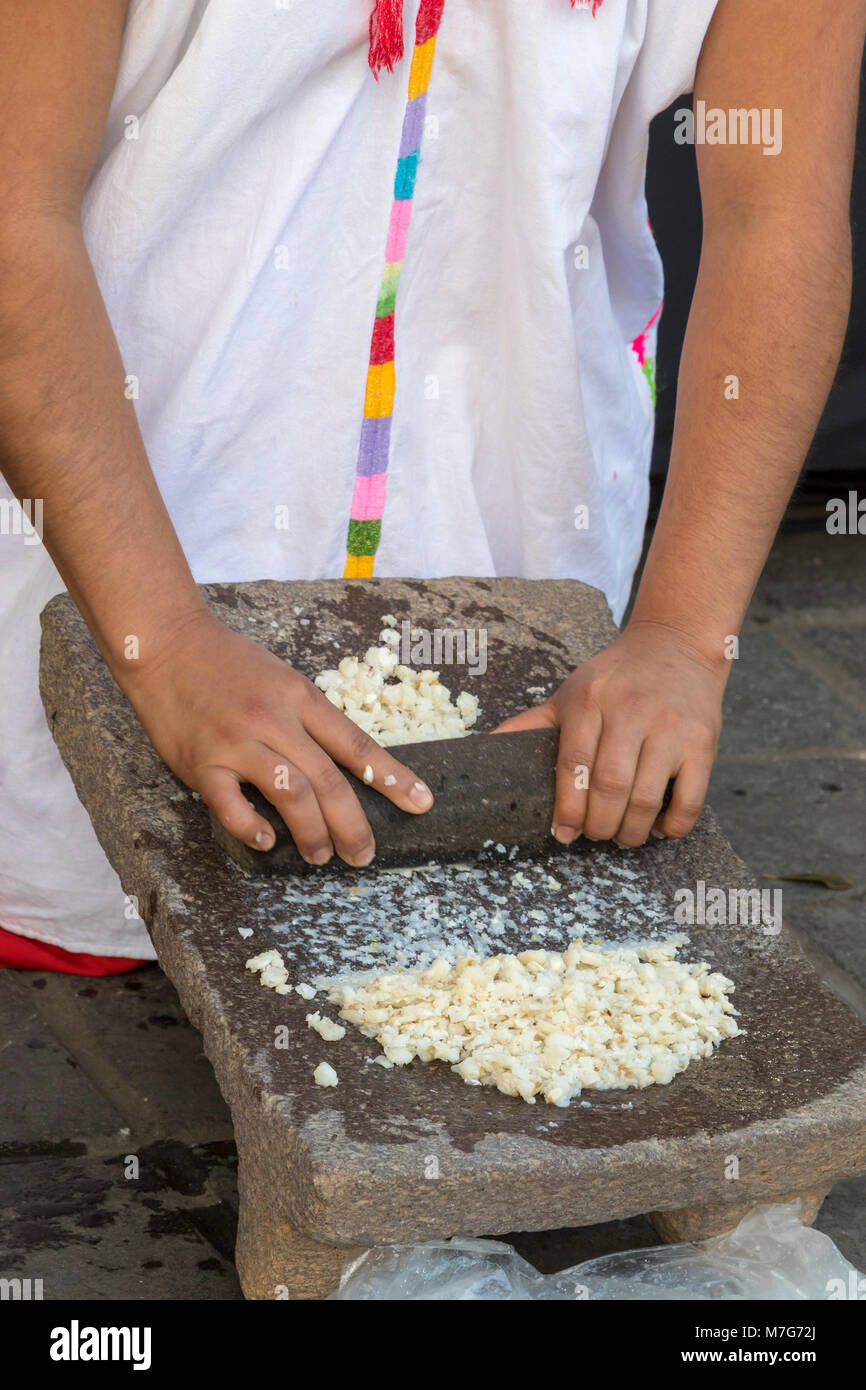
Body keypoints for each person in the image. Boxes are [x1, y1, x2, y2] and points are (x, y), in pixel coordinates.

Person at [0, 0, 862, 972]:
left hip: (516, 694)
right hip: (94, 633)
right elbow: (14, 210)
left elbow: (775, 222)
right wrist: (162, 643)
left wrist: (682, 639)